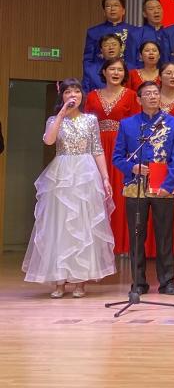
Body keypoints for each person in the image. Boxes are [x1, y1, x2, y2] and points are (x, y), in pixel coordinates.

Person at [23, 79, 115, 298]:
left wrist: (105, 178)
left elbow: (97, 149)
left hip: (86, 173)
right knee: (60, 225)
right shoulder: (55, 119)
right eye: (68, 92)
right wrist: (62, 114)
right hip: (62, 173)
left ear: (82, 95)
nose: (73, 95)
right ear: (62, 96)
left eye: (77, 91)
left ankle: (80, 282)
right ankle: (59, 281)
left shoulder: (91, 120)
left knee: (83, 224)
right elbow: (49, 140)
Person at [113, 80, 174, 296]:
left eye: (156, 93)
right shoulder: (127, 124)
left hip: (163, 184)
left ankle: (167, 281)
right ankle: (138, 282)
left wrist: (168, 185)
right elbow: (117, 157)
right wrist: (132, 167)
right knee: (137, 235)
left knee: (164, 234)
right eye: (148, 94)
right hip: (135, 185)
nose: (153, 96)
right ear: (139, 99)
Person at [83, 58, 139, 255]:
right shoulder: (92, 96)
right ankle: (97, 244)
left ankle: (121, 244)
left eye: (120, 70)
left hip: (121, 149)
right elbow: (86, 126)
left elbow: (136, 124)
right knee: (97, 193)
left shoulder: (132, 95)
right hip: (97, 149)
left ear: (124, 74)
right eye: (112, 69)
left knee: (120, 194)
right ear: (104, 72)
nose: (116, 73)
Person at [83, 0, 137, 92]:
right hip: (99, 77)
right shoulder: (94, 32)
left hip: (127, 75)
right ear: (104, 12)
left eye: (116, 5)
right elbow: (88, 59)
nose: (112, 9)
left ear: (123, 11)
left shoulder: (135, 31)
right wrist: (91, 74)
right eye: (108, 6)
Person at [138, 0, 171, 64]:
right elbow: (131, 61)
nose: (156, 11)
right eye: (151, 9)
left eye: (159, 8)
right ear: (144, 14)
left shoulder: (170, 33)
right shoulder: (136, 33)